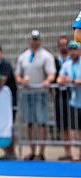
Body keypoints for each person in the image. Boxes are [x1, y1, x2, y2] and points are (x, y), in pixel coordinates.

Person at [15, 30, 56, 160]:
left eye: (36, 39)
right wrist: (21, 81)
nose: (34, 41)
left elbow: (51, 73)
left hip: (41, 93)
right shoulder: (23, 56)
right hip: (27, 94)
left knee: (42, 122)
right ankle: (32, 151)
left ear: (40, 40)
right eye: (33, 39)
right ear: (30, 40)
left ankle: (41, 152)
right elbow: (17, 74)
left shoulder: (46, 56)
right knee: (30, 123)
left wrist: (47, 81)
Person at [57, 41, 81, 161]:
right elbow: (60, 78)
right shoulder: (67, 64)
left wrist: (74, 81)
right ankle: (76, 154)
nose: (72, 52)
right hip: (74, 101)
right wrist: (65, 80)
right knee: (74, 129)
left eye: (75, 49)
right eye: (70, 50)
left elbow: (76, 80)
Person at [54, 36, 72, 161]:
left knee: (76, 125)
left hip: (74, 94)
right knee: (64, 125)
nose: (63, 47)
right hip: (60, 95)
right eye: (61, 44)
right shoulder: (55, 61)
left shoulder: (74, 60)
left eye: (65, 44)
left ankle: (78, 151)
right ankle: (68, 152)